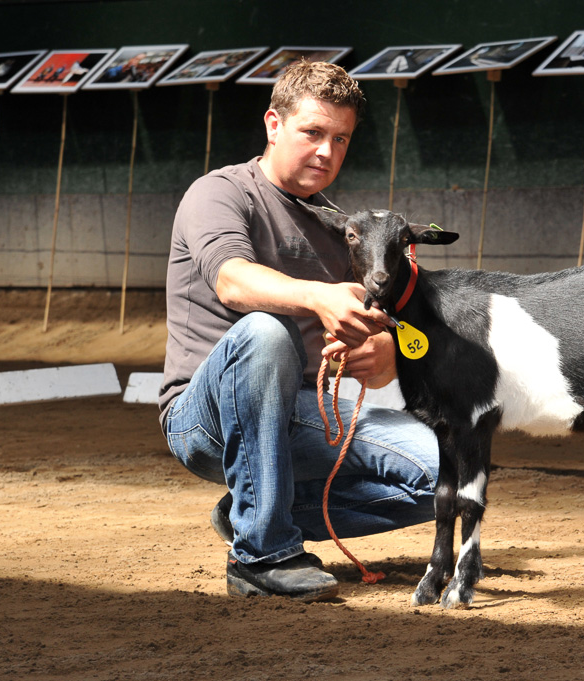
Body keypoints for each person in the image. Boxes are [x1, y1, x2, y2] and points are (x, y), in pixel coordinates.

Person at [159, 60, 439, 602]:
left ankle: (253, 505)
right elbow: (232, 281)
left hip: (302, 416)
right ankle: (261, 554)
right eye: (312, 132)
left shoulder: (343, 228)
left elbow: (387, 324)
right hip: (205, 419)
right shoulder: (219, 193)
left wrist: (387, 352)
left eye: (341, 138)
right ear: (273, 125)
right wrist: (316, 295)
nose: (326, 152)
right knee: (266, 331)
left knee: (448, 470)